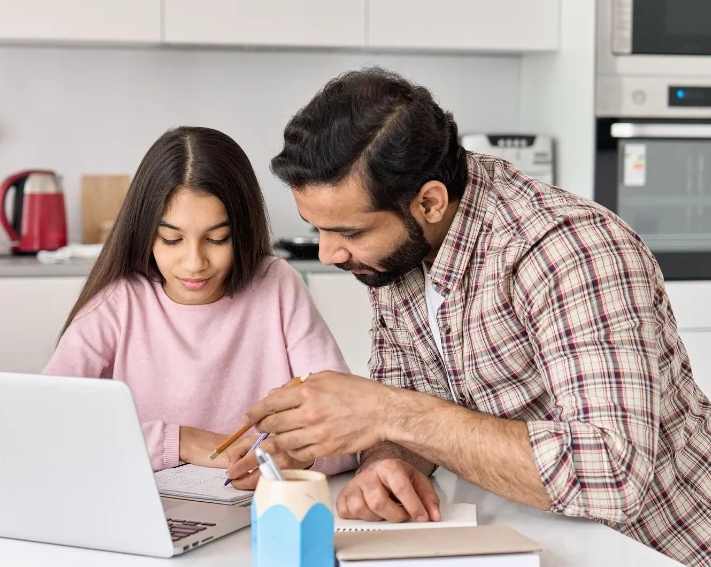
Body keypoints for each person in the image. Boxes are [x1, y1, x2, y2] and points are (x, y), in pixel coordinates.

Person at [229, 69, 711, 566]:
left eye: (348, 232)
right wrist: (387, 462)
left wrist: (385, 412)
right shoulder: (395, 253)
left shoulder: (569, 250)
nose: (328, 253)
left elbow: (611, 475)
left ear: (430, 202)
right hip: (531, 539)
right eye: (318, 229)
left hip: (658, 549)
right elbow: (415, 403)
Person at [44, 126, 356, 485]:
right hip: (147, 511)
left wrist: (297, 458)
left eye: (217, 238)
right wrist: (180, 442)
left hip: (257, 506)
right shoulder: (120, 301)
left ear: (241, 232)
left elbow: (348, 429)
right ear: (145, 233)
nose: (194, 263)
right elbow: (49, 423)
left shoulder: (276, 283)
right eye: (172, 239)